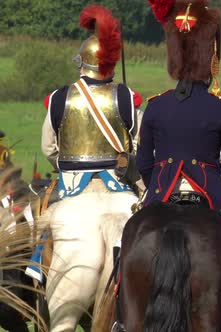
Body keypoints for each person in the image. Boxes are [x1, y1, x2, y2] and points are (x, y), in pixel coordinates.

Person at [39, 6, 139, 331]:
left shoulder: (58, 99)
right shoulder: (126, 98)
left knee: (40, 229)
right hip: (122, 192)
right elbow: (136, 148)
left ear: (81, 64)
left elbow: (48, 149)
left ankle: (32, 278)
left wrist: (64, 166)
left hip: (71, 187)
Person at [137, 0, 221, 225]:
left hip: (160, 191)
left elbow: (144, 163)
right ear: (211, 58)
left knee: (123, 242)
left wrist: (157, 183)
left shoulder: (155, 105)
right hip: (209, 194)